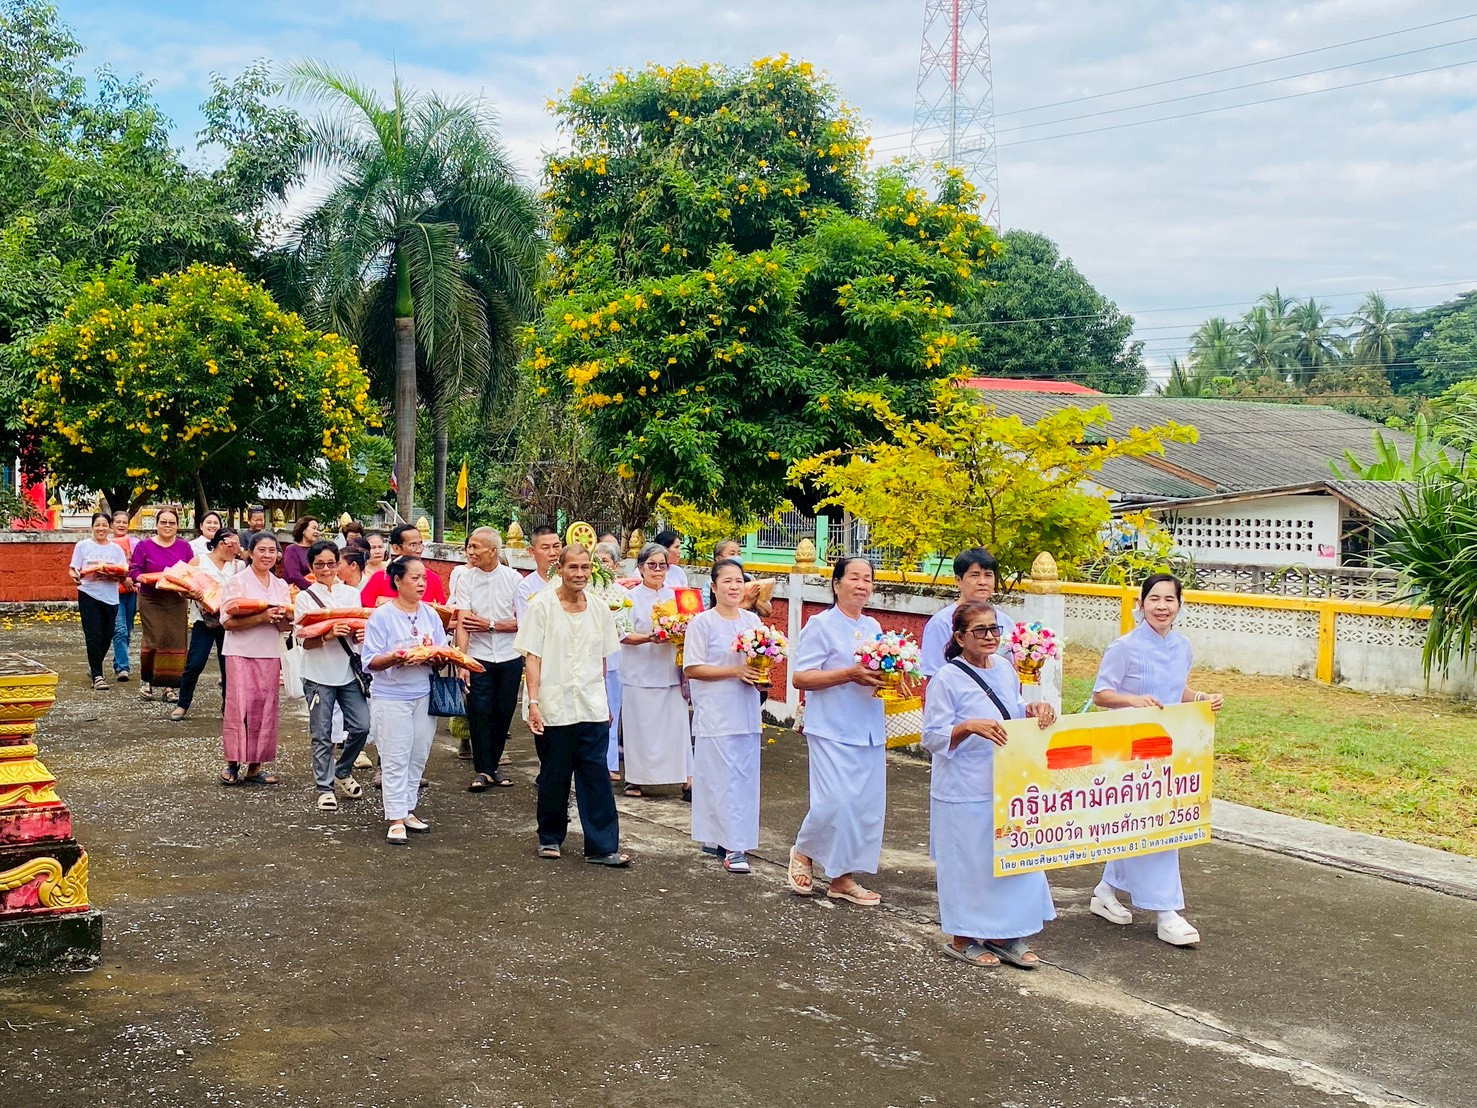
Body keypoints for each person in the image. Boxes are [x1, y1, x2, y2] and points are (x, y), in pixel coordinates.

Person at [1088, 573, 1223, 946]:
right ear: (1142, 604)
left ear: (1179, 605)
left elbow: (1176, 687)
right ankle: (1166, 913)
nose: (1162, 606)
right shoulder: (1124, 647)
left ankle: (1105, 891)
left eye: (1170, 599)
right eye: (1155, 599)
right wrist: (1134, 700)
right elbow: (1101, 695)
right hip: (1129, 750)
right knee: (1155, 825)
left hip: (1171, 749)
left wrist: (1201, 699)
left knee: (1143, 824)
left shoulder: (1183, 646)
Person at [922, 600, 1058, 968]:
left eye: (994, 629)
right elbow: (932, 737)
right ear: (960, 637)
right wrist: (968, 727)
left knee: (1008, 861)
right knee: (968, 863)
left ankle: (1004, 933)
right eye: (979, 630)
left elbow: (1011, 708)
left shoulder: (1003, 669)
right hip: (962, 786)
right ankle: (963, 936)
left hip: (1005, 781)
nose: (989, 637)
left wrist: (1033, 709)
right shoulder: (946, 678)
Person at [515, 542, 629, 866]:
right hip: (553, 705)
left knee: (596, 775)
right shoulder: (543, 607)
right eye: (572, 567)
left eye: (585, 567)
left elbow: (603, 660)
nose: (579, 574)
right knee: (555, 773)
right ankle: (550, 837)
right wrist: (533, 703)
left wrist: (605, 701)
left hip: (590, 704)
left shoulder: (599, 609)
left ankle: (603, 846)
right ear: (560, 570)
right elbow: (532, 658)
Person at [787, 556, 890, 905]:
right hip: (831, 727)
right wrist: (848, 673)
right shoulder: (821, 625)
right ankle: (804, 850)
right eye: (855, 578)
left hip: (869, 727)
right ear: (836, 584)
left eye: (868, 579)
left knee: (864, 808)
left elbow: (879, 672)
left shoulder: (875, 626)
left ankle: (842, 878)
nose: (862, 585)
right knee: (835, 802)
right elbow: (801, 677)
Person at [683, 558, 767, 874]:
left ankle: (729, 838)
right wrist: (735, 670)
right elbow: (692, 668)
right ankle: (733, 847)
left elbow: (763, 661)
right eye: (727, 581)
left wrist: (760, 673)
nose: (734, 586)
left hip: (745, 711)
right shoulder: (702, 623)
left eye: (738, 581)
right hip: (716, 712)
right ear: (714, 586)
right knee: (720, 779)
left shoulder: (752, 622)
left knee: (743, 779)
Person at [362, 557, 448, 845]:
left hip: (422, 693)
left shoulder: (431, 615)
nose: (422, 583)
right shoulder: (382, 616)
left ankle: (408, 808)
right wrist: (396, 657)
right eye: (415, 578)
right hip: (391, 697)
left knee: (418, 754)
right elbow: (370, 661)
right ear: (398, 581)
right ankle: (395, 817)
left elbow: (441, 653)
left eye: (424, 578)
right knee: (395, 756)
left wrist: (434, 657)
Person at [295, 541, 370, 812]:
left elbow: (359, 629)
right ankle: (324, 787)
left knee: (362, 725)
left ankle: (343, 770)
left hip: (348, 673)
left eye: (330, 563)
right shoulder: (305, 598)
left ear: (339, 563)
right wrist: (327, 634)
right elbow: (304, 641)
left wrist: (360, 635)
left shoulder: (351, 594)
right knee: (322, 733)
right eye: (319, 565)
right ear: (311, 567)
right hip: (317, 674)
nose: (326, 569)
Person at [452, 527, 523, 791]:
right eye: (469, 547)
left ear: (493, 550)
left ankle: (493, 765)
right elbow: (464, 621)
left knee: (503, 712)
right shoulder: (465, 579)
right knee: (479, 711)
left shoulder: (515, 579)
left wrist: (491, 624)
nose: (471, 552)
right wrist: (462, 660)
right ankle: (483, 770)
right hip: (478, 655)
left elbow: (523, 622)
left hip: (509, 654)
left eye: (476, 547)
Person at [619, 543, 692, 800]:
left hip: (670, 671)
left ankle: (686, 778)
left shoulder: (679, 597)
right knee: (639, 729)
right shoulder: (628, 597)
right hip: (639, 672)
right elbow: (622, 634)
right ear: (640, 568)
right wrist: (649, 638)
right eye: (652, 565)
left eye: (663, 565)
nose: (657, 570)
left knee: (677, 728)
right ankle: (635, 779)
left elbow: (694, 625)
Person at [219, 533, 293, 786]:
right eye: (262, 550)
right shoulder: (237, 582)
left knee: (265, 708)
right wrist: (261, 617)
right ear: (250, 552)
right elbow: (227, 622)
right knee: (239, 706)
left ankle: (255, 765)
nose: (267, 556)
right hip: (240, 650)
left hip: (269, 652)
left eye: (272, 551)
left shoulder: (280, 585)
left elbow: (285, 627)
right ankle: (232, 763)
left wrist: (283, 617)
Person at [173, 528, 242, 721]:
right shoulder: (199, 561)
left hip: (227, 620)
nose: (238, 548)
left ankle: (227, 705)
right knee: (195, 663)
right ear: (223, 544)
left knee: (227, 665)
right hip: (203, 619)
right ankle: (183, 703)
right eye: (235, 544)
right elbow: (181, 587)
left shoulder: (238, 566)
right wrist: (190, 594)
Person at [129, 506, 195, 703]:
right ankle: (147, 681)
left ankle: (170, 686)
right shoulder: (145, 546)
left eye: (172, 523)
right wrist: (144, 578)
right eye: (163, 522)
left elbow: (192, 572)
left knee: (175, 640)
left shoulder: (184, 547)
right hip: (151, 599)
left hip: (176, 600)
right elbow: (134, 570)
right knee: (155, 639)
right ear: (156, 524)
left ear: (177, 526)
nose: (168, 526)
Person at [920, 549, 1018, 679]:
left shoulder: (1006, 621)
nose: (982, 582)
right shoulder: (941, 623)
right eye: (975, 575)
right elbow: (935, 676)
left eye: (988, 575)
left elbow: (1013, 669)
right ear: (958, 580)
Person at [69, 512, 129, 691]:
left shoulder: (116, 549)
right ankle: (97, 676)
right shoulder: (82, 546)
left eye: (104, 525)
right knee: (93, 635)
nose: (101, 528)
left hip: (110, 596)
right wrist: (76, 577)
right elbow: (73, 569)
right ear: (92, 526)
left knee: (107, 635)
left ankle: (94, 665)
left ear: (109, 527)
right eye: (98, 525)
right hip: (89, 594)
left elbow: (123, 572)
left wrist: (113, 574)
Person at [591, 542, 627, 781]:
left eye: (605, 561)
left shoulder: (621, 594)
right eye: (597, 562)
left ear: (615, 566)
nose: (601, 566)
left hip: (613, 659)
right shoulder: (586, 592)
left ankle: (611, 764)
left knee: (612, 711)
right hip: (589, 659)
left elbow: (625, 629)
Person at [359, 524, 447, 605]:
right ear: (396, 548)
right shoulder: (380, 578)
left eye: (420, 544)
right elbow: (365, 611)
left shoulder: (432, 578)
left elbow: (442, 610)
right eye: (413, 545)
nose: (419, 550)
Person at [110, 509, 137, 683]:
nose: (121, 525)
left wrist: (132, 580)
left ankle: (117, 661)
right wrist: (123, 579)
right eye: (118, 522)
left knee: (127, 631)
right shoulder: (107, 545)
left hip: (131, 593)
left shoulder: (135, 543)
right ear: (112, 525)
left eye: (124, 522)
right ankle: (123, 667)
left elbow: (139, 566)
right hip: (113, 593)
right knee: (119, 630)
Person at [514, 525, 562, 620]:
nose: (552, 553)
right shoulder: (526, 588)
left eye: (556, 546)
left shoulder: (572, 580)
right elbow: (526, 626)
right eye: (545, 548)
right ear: (532, 551)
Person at [282, 515, 321, 590]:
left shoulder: (317, 550)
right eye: (313, 528)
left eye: (318, 529)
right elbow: (293, 575)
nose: (317, 531)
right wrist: (311, 589)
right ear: (303, 530)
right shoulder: (292, 549)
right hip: (298, 592)